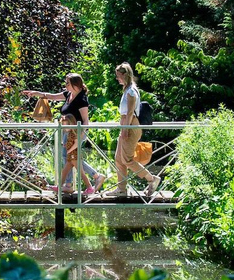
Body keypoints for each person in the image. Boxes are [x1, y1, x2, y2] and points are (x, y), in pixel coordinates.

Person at [22, 73, 106, 193]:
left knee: (71, 158)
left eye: (67, 83)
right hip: (67, 132)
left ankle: (93, 177)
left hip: (76, 133)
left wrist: (82, 135)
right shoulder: (68, 94)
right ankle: (71, 184)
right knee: (68, 158)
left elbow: (86, 120)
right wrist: (36, 93)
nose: (65, 85)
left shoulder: (81, 99)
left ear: (75, 84)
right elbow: (52, 96)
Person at [105, 63, 161, 196]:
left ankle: (151, 179)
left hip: (130, 126)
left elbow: (130, 112)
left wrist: (125, 129)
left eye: (118, 76)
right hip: (126, 125)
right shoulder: (127, 90)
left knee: (127, 159)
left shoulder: (131, 91)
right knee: (119, 159)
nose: (117, 78)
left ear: (125, 75)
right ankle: (121, 189)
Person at [54, 114, 95, 194]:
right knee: (65, 171)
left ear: (72, 123)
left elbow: (77, 143)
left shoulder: (74, 133)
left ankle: (90, 187)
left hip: (74, 156)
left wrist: (69, 150)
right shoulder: (69, 133)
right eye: (64, 125)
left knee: (81, 172)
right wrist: (67, 145)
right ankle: (59, 187)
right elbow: (71, 143)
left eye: (67, 125)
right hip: (71, 157)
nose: (66, 128)